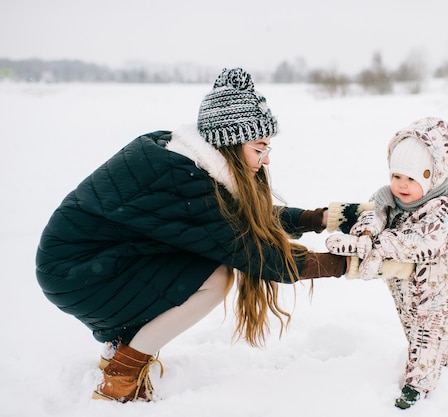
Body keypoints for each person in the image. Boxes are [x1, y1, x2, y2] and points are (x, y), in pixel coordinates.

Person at [35, 67, 349, 403]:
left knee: (203, 264)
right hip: (76, 272)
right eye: (259, 148)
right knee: (217, 276)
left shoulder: (185, 157)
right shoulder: (183, 180)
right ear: (229, 144)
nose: (266, 159)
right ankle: (123, 373)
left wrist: (318, 219)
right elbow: (253, 251)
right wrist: (346, 265)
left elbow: (239, 220)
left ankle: (121, 348)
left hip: (92, 261)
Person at [325, 117, 448, 410]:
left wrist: (377, 246)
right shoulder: (390, 198)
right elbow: (374, 213)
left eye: (412, 178)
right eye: (397, 175)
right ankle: (442, 360)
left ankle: (418, 386)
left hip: (441, 286)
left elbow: (421, 241)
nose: (402, 185)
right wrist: (365, 235)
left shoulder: (444, 207)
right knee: (413, 327)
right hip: (405, 283)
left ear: (433, 176)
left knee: (430, 331)